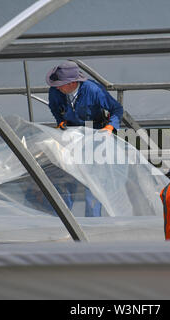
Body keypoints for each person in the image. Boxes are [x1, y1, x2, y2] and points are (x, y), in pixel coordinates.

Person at [46, 60, 124, 217]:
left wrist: (109, 127)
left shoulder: (93, 90)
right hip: (70, 136)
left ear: (73, 82)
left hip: (95, 135)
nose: (58, 87)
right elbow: (54, 108)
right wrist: (60, 121)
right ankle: (64, 219)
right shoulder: (55, 91)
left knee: (94, 182)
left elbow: (116, 109)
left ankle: (93, 222)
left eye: (61, 84)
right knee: (67, 177)